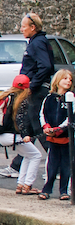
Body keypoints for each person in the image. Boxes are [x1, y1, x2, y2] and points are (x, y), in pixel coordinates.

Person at [0, 12, 54, 177]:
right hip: (33, 89)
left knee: (38, 126)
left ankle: (58, 164)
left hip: (36, 90)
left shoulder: (38, 43)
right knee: (29, 127)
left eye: (24, 26)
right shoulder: (36, 42)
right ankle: (17, 166)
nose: (21, 29)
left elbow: (45, 66)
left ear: (33, 27)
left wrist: (32, 85)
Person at [0, 74, 42, 195]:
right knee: (36, 156)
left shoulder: (5, 96)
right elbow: (20, 119)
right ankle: (27, 186)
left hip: (2, 135)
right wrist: (25, 135)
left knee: (27, 155)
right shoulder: (21, 100)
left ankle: (20, 185)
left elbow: (4, 120)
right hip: (14, 136)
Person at [39, 69, 73, 200]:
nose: (68, 81)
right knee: (51, 165)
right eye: (65, 78)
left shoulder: (71, 98)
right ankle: (47, 189)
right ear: (58, 81)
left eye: (70, 79)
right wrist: (46, 126)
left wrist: (59, 128)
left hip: (66, 137)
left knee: (66, 165)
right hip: (52, 138)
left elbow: (71, 116)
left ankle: (64, 190)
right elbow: (42, 113)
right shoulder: (49, 98)